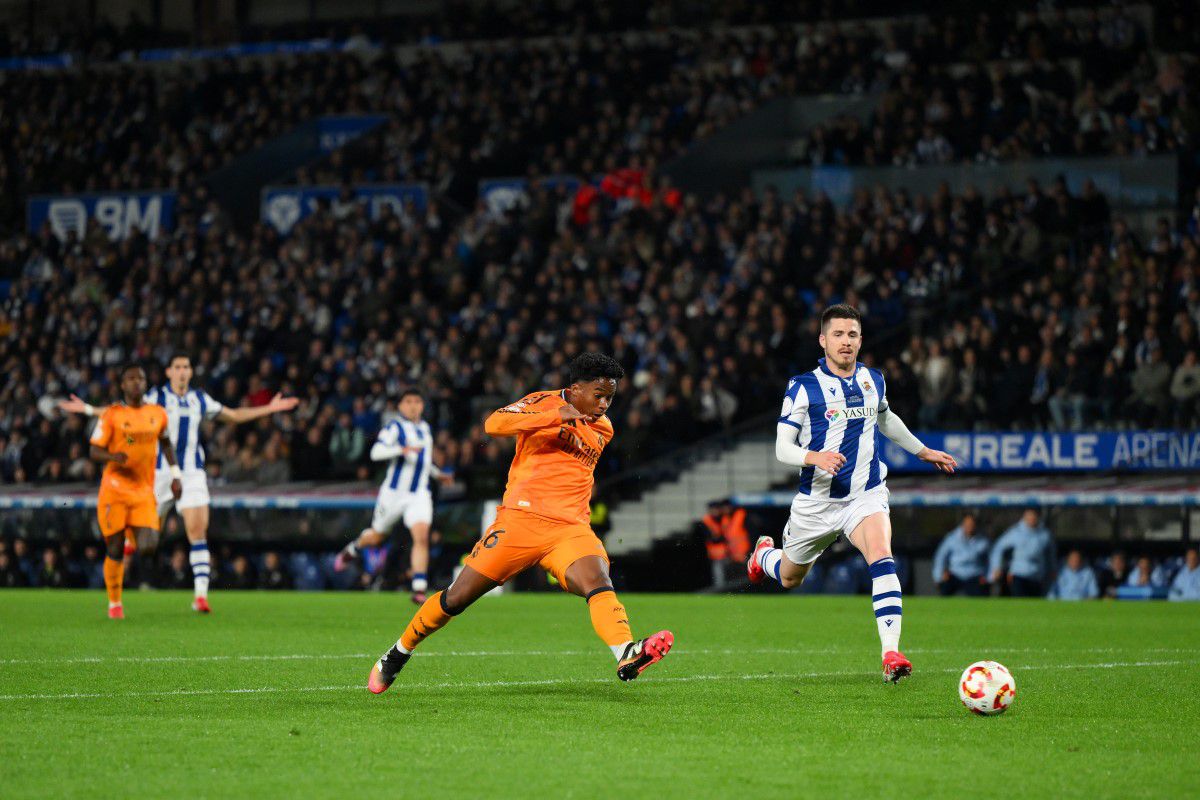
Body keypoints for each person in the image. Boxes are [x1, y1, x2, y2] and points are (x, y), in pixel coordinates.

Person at [367, 353, 674, 694]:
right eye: (598, 395)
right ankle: (397, 654)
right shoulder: (542, 401)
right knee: (456, 599)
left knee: (598, 581)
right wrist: (554, 415)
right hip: (520, 521)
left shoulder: (604, 428)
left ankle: (626, 652)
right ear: (575, 390)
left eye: (610, 397)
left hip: (570, 528)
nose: (604, 404)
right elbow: (493, 424)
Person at [746, 304, 958, 683]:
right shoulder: (803, 386)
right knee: (792, 577)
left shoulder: (874, 379)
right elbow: (781, 447)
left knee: (881, 555)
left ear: (861, 341)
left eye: (853, 335)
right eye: (839, 335)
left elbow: (886, 418)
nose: (846, 342)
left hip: (865, 494)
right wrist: (816, 457)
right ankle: (764, 557)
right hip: (817, 502)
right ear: (823, 340)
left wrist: (922, 451)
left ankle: (891, 653)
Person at [61, 353, 299, 613]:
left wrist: (270, 409)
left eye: (186, 366)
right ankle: (122, 569)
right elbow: (120, 414)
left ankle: (200, 597)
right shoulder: (155, 398)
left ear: (191, 371)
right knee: (145, 541)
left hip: (192, 473)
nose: (183, 371)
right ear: (169, 372)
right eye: (178, 367)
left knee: (198, 532)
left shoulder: (199, 399)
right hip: (158, 475)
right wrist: (87, 410)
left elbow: (232, 415)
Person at [334, 390, 453, 604]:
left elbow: (422, 461)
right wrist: (401, 449)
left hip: (419, 493)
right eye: (408, 402)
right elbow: (376, 452)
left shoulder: (425, 429)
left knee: (422, 536)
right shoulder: (394, 428)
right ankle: (352, 549)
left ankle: (418, 587)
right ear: (400, 406)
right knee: (376, 537)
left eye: (417, 401)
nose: (413, 406)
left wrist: (437, 474)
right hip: (394, 494)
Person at [88, 363, 182, 619]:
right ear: (122, 385)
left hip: (142, 491)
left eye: (140, 378)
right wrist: (113, 455)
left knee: (149, 547)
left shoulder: (157, 414)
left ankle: (132, 536)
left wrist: (176, 475)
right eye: (130, 379)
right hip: (115, 491)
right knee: (115, 549)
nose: (136, 382)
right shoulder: (112, 415)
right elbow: (94, 450)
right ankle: (115, 603)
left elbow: (164, 442)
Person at [989, 509, 1057, 597]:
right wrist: (996, 567)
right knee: (1020, 601)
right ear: (1024, 518)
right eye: (1029, 517)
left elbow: (1051, 554)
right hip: (1018, 573)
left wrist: (1053, 569)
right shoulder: (1015, 532)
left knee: (1035, 604)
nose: (1031, 519)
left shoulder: (1045, 534)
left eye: (1034, 517)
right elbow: (998, 548)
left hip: (1037, 575)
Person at [931, 512, 989, 596]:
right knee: (944, 588)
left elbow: (989, 560)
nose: (969, 527)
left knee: (981, 593)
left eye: (972, 524)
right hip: (955, 574)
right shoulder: (952, 538)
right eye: (967, 524)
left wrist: (986, 576)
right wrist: (938, 576)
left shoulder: (983, 540)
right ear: (962, 525)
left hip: (974, 575)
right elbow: (940, 557)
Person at [701, 499, 750, 590]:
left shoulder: (727, 518)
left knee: (740, 577)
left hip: (735, 553)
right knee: (722, 579)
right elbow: (712, 538)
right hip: (718, 555)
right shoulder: (708, 521)